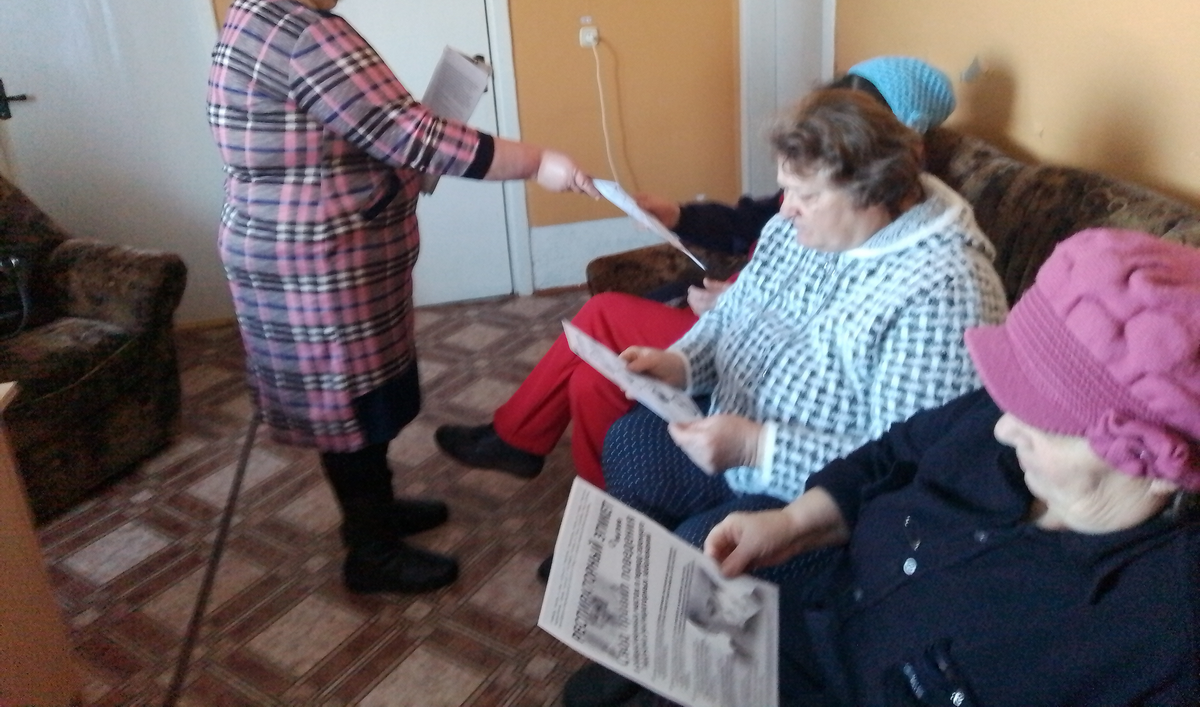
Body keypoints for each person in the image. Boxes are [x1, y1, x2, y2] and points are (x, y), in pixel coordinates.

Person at [207, 0, 595, 596]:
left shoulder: (254, 15)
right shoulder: (307, 34)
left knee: (355, 401)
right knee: (351, 406)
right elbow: (414, 137)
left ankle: (376, 513)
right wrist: (538, 161)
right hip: (319, 265)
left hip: (294, 253)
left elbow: (357, 130)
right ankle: (370, 551)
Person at [563, 87, 1007, 707]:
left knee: (705, 549)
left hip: (823, 508)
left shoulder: (945, 288)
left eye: (806, 194)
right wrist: (679, 363)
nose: (786, 208)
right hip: (738, 436)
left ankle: (679, 674)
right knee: (632, 441)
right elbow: (732, 316)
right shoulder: (796, 229)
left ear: (874, 190)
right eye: (785, 189)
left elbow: (906, 467)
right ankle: (635, 635)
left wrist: (757, 447)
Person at [704, 228, 1200, 706]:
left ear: (1157, 469)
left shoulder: (1164, 640)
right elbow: (892, 454)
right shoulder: (1008, 412)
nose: (1002, 428)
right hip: (806, 621)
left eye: (1045, 421)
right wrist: (793, 523)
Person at [434, 57, 958, 495]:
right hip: (732, 309)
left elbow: (826, 317)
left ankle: (519, 440)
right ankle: (603, 514)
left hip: (750, 334)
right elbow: (755, 219)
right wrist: (680, 216)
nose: (789, 207)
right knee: (594, 378)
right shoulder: (816, 183)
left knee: (601, 315)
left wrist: (736, 302)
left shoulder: (885, 220)